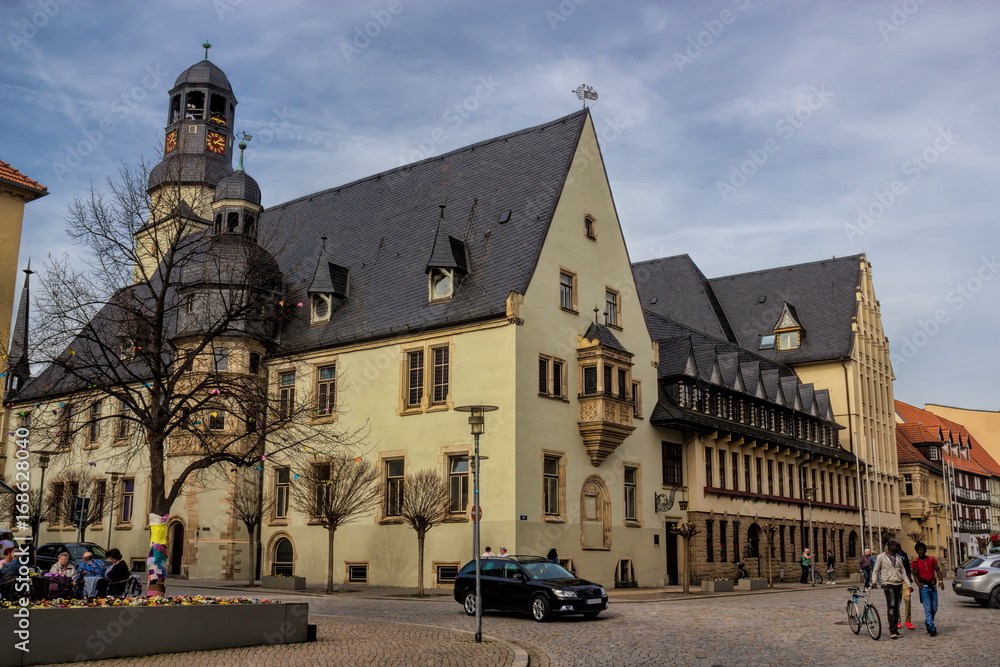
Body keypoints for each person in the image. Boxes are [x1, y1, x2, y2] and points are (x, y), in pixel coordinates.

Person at [871, 539, 914, 639]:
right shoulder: (881, 557)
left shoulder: (898, 558)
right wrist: (874, 581)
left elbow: (903, 572)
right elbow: (875, 570)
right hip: (888, 583)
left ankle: (895, 629)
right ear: (890, 547)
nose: (898, 548)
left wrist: (908, 584)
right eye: (896, 546)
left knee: (896, 606)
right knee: (892, 606)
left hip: (898, 583)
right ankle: (892, 630)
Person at [911, 542, 945, 636]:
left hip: (933, 586)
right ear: (917, 551)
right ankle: (931, 626)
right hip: (924, 587)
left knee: (934, 608)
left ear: (925, 550)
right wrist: (920, 586)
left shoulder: (931, 559)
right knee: (928, 608)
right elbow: (915, 575)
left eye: (922, 550)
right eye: (919, 550)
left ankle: (928, 621)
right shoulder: (915, 562)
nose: (921, 552)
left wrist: (941, 581)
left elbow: (937, 570)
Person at [895, 542, 915, 629]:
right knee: (896, 602)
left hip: (905, 580)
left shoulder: (903, 554)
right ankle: (898, 621)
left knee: (907, 599)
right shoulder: (891, 556)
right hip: (895, 580)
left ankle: (908, 621)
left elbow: (907, 567)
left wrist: (909, 578)